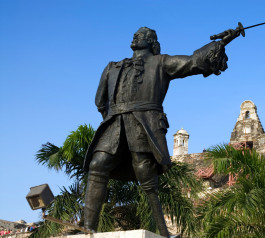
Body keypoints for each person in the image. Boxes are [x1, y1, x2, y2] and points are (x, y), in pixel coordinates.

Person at [83, 27, 239, 237]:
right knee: (97, 165)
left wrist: (220, 43)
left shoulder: (161, 62)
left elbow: (192, 62)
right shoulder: (112, 67)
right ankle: (87, 227)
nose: (136, 35)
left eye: (142, 34)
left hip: (143, 122)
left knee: (145, 172)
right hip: (115, 123)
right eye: (136, 33)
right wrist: (115, 117)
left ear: (152, 41)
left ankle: (163, 232)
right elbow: (100, 101)